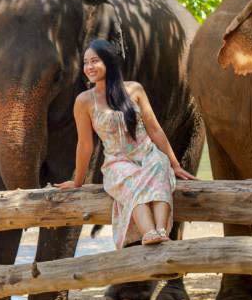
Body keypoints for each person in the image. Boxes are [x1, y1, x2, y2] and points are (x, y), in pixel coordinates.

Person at [55, 39, 195, 247]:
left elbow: (155, 129)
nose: (89, 67)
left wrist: (175, 164)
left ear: (109, 62)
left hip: (146, 154)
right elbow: (84, 145)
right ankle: (149, 233)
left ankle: (162, 231)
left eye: (95, 61)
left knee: (159, 164)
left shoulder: (134, 90)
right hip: (117, 163)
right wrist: (77, 181)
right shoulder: (84, 101)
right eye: (86, 63)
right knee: (131, 178)